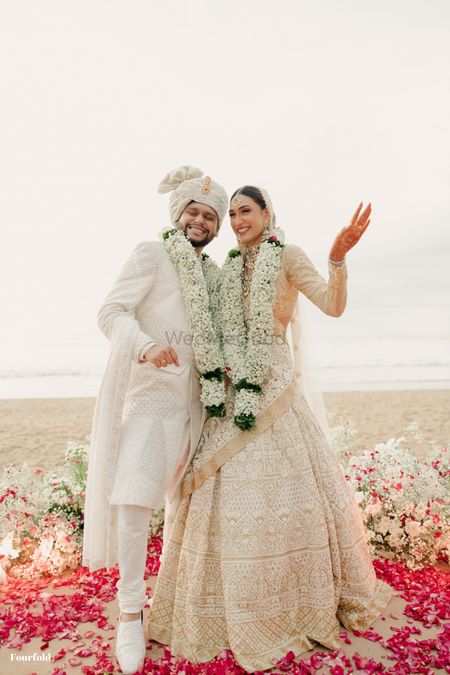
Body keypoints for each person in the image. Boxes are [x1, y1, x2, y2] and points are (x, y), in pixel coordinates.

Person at [149, 186, 392, 672]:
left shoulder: (287, 256)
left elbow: (332, 304)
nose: (238, 220)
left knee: (283, 499)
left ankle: (290, 605)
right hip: (229, 392)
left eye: (246, 211)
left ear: (267, 214)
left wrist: (337, 259)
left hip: (274, 390)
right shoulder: (223, 270)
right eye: (233, 213)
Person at [82, 165, 228, 675]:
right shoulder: (151, 254)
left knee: (183, 509)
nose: (200, 221)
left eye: (211, 216)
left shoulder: (213, 274)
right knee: (134, 504)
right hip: (150, 401)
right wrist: (144, 347)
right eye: (192, 210)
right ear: (176, 213)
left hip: (199, 408)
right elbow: (111, 312)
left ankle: (168, 604)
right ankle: (128, 613)